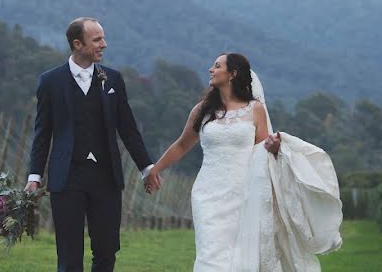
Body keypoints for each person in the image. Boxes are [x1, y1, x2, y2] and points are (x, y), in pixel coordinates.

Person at [144, 53, 342, 272]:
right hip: (208, 194)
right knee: (211, 254)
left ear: (233, 74)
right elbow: (181, 145)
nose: (211, 69)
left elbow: (263, 151)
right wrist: (155, 170)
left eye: (217, 66)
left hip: (244, 193)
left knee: (241, 257)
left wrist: (274, 148)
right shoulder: (202, 110)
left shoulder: (255, 109)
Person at [25, 17, 158, 272]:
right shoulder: (50, 82)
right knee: (69, 256)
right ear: (78, 44)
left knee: (107, 252)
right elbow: (42, 133)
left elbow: (128, 130)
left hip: (106, 177)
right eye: (97, 39)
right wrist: (34, 176)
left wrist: (146, 168)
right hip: (67, 178)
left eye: (103, 38)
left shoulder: (114, 80)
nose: (104, 45)